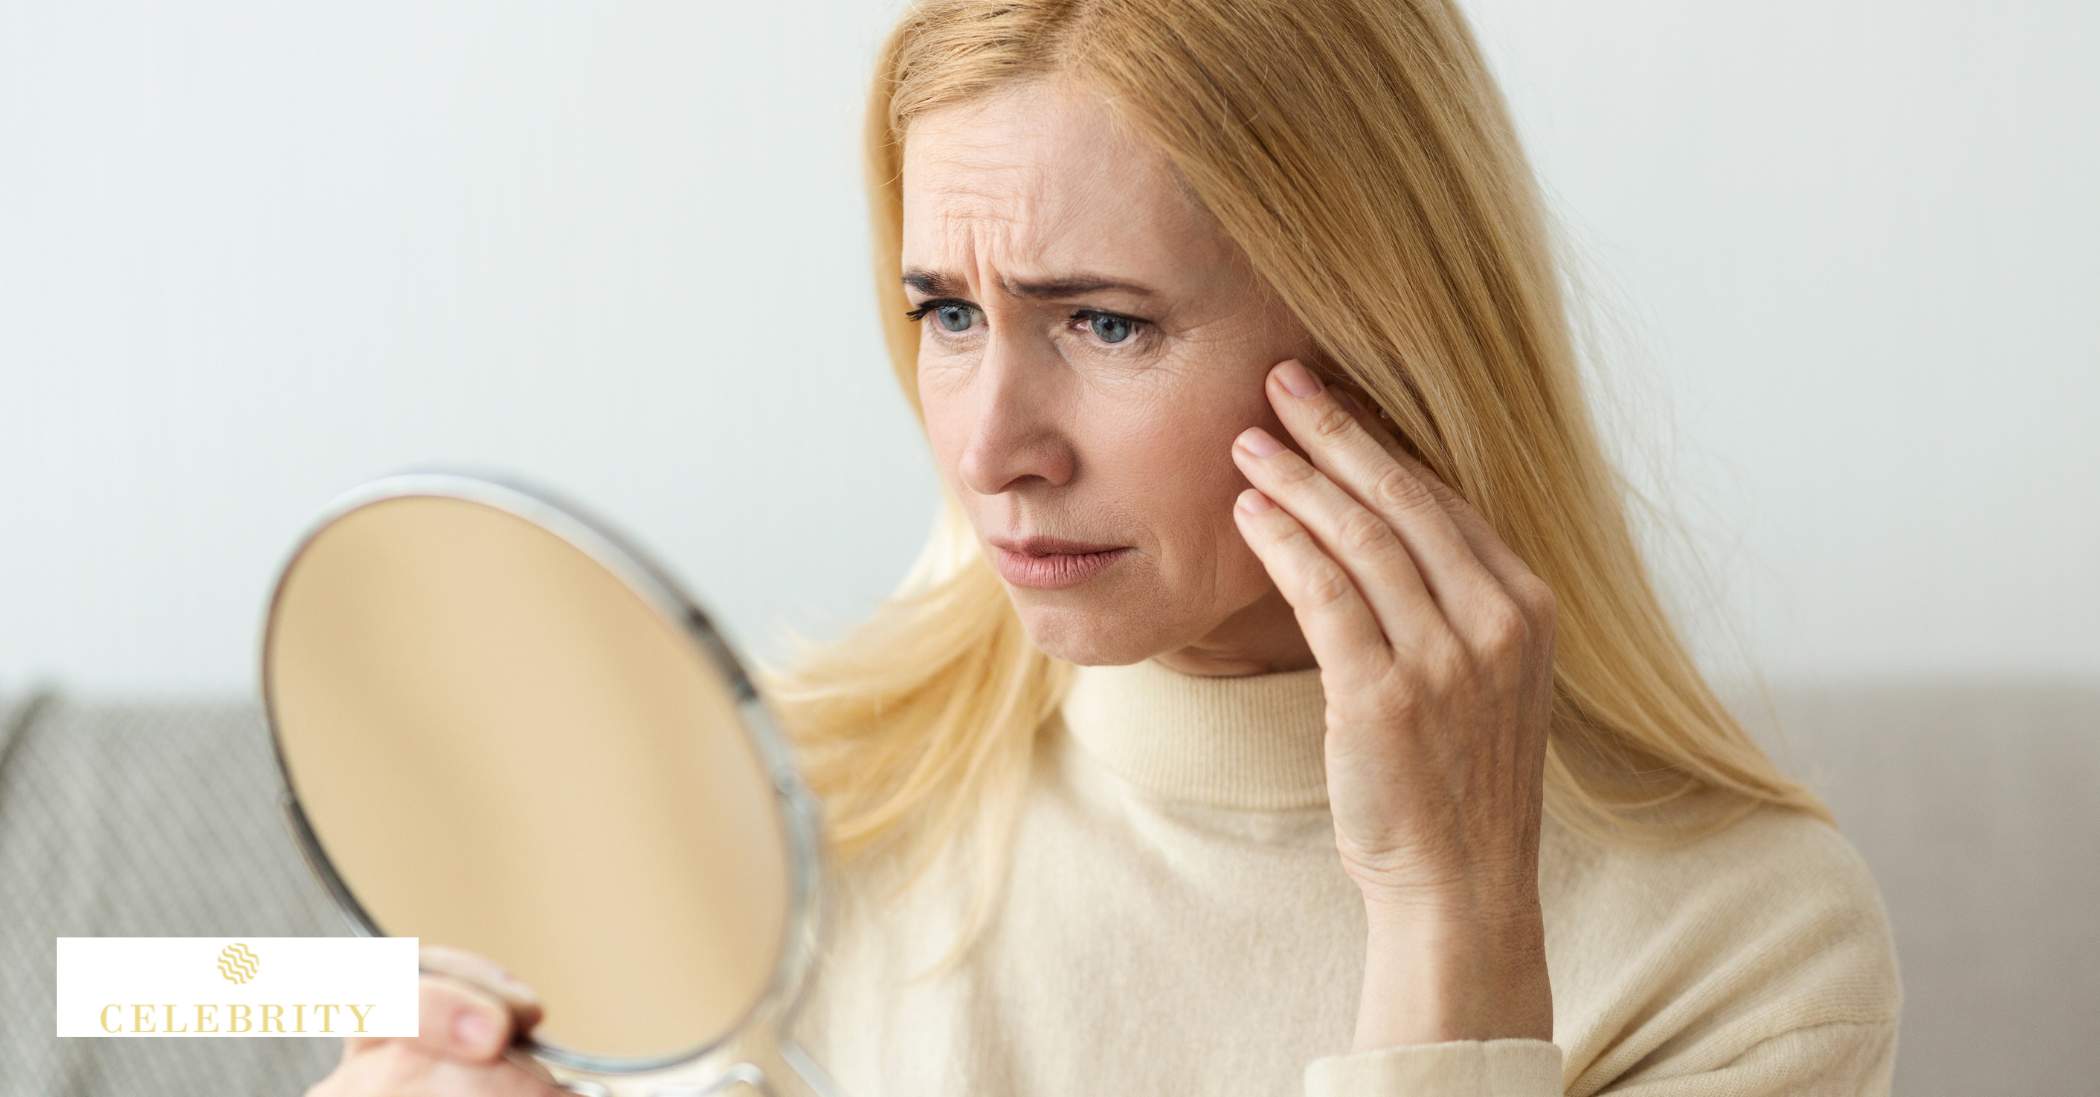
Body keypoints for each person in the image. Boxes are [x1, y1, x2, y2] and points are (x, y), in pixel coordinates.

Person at [308, 1, 1902, 1094]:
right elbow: (130, 991)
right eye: (947, 311)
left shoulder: (1743, 942)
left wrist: (1451, 929)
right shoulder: (784, 810)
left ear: (1384, 339)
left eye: (1108, 321)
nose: (991, 445)